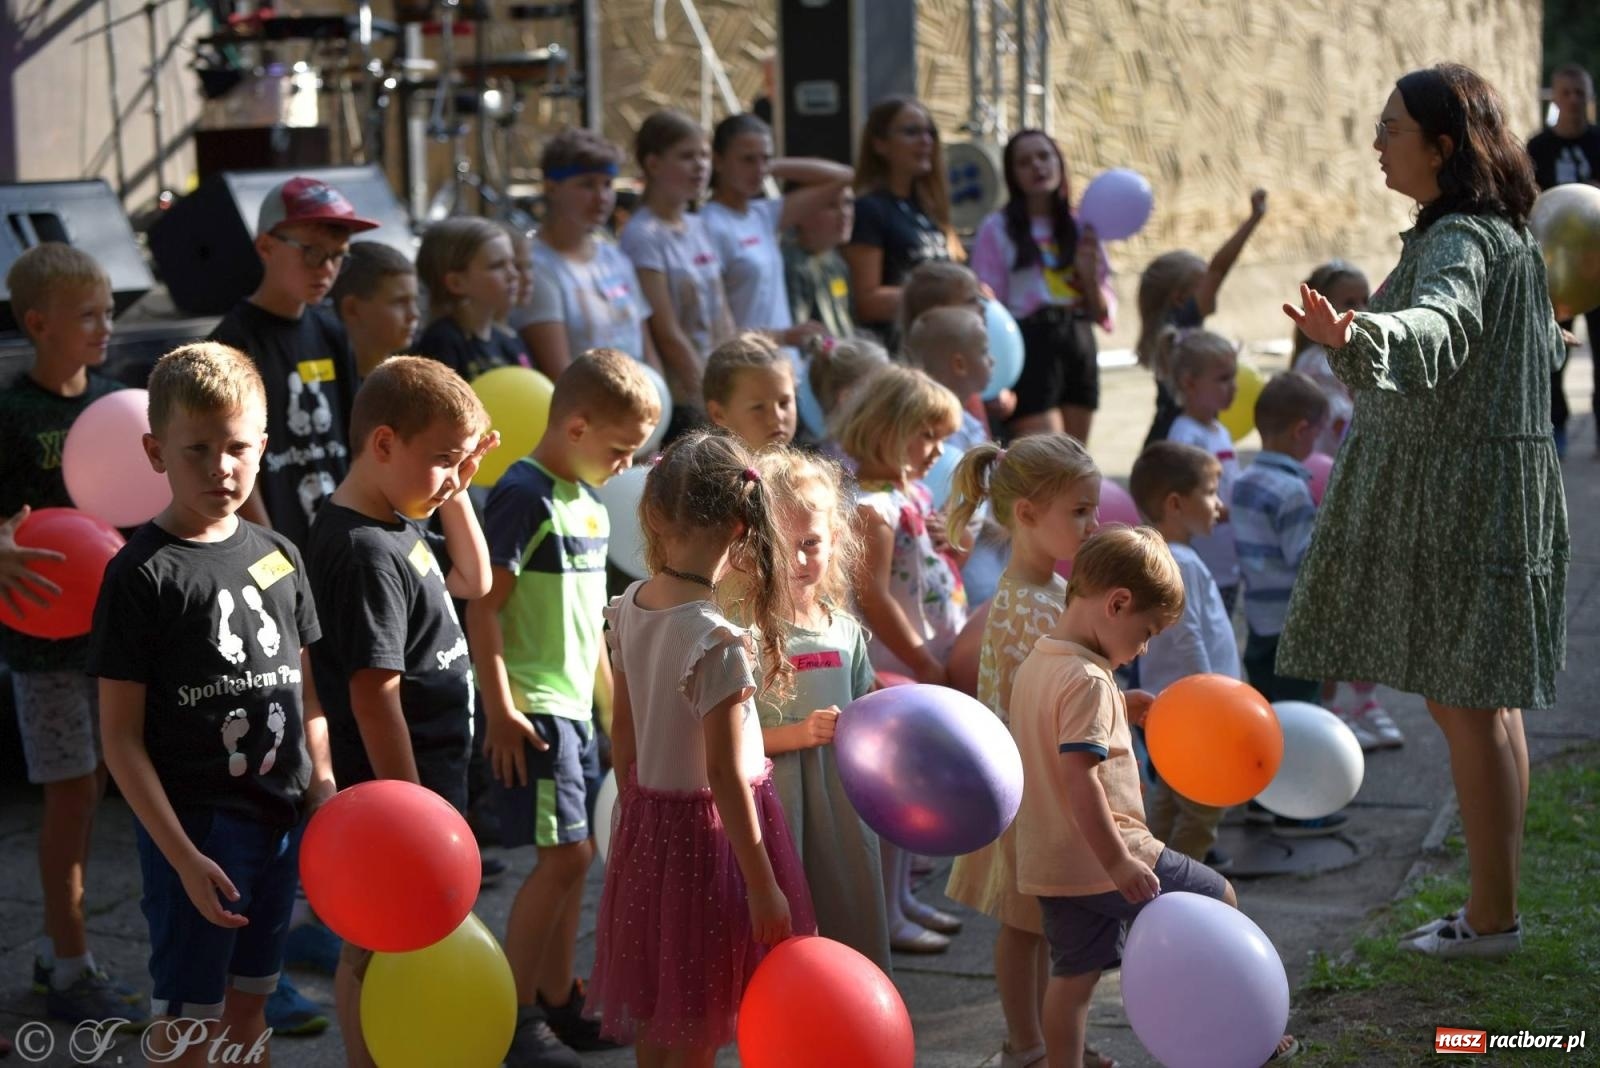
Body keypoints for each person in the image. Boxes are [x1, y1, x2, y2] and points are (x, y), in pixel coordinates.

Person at [1283, 63, 1569, 959]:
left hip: (1464, 498)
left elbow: (1436, 325)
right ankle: (1498, 909)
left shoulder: (1460, 243)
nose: (1378, 141)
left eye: (1392, 128)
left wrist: (1360, 330)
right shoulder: (1503, 235)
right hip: (1496, 491)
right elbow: (1530, 352)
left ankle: (1491, 922)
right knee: (1486, 708)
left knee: (1467, 708)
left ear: (1444, 147)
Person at [89, 343, 335, 1065]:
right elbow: (121, 740)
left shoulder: (281, 554)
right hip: (195, 831)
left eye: (236, 448)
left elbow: (307, 694)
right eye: (197, 450)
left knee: (252, 1002)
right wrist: (182, 854)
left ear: (263, 445)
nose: (220, 468)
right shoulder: (140, 576)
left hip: (279, 821)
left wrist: (323, 790)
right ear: (155, 451)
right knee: (190, 1020)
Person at [1008, 527, 1298, 1068]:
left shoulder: (1040, 663)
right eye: (1146, 633)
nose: (1143, 648)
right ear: (1117, 603)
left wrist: (1121, 701)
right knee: (1217, 899)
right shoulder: (1089, 683)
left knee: (1072, 980)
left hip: (1050, 863)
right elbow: (1081, 779)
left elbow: (1056, 733)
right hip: (1112, 854)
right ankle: (1238, 1025)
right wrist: (1119, 861)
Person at [585, 431, 817, 1056]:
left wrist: (637, 806)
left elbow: (623, 730)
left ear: (655, 513)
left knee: (663, 1005)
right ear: (745, 523)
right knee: (702, 1010)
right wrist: (763, 883)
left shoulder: (627, 606)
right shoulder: (714, 641)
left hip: (650, 822)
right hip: (711, 840)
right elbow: (722, 772)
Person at [467, 350, 660, 1067]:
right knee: (565, 856)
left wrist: (617, 716)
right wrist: (499, 707)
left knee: (576, 863)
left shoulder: (587, 501)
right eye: (619, 449)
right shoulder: (524, 493)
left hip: (577, 709)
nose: (626, 463)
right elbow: (484, 610)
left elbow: (592, 626)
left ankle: (558, 999)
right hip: (535, 707)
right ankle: (512, 1018)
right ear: (576, 426)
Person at [303, 356, 498, 1062]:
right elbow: (372, 693)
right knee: (373, 942)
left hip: (430, 781)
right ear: (383, 444)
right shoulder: (361, 550)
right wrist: (412, 814)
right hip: (397, 795)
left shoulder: (397, 518)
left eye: (459, 462)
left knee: (398, 938)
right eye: (440, 460)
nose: (451, 475)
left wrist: (456, 484)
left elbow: (474, 580)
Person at [941, 436, 1124, 1068]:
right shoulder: (1026, 606)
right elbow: (1040, 708)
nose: (1093, 524)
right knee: (1024, 925)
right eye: (1079, 511)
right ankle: (1027, 1045)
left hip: (1040, 786)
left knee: (1049, 926)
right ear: (1025, 513)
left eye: (1093, 510)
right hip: (1027, 792)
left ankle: (1052, 1040)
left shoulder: (1047, 594)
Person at [0, 244, 148, 1025]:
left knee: (104, 788)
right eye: (87, 316)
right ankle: (68, 965)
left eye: (108, 313)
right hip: (45, 645)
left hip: (117, 636)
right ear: (37, 324)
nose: (105, 327)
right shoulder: (11, 417)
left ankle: (70, 948)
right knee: (69, 796)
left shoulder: (121, 405)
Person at [837, 364, 966, 953]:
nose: (937, 451)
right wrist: (921, 658)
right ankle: (886, 913)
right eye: (927, 436)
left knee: (911, 783)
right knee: (894, 789)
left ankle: (903, 897)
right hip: (895, 664)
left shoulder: (903, 494)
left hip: (917, 659)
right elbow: (873, 593)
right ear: (887, 428)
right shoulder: (872, 507)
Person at [750, 446, 892, 972]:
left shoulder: (845, 629)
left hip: (841, 801)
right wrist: (798, 734)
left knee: (848, 905)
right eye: (781, 545)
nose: (798, 560)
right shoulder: (748, 635)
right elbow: (726, 740)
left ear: (835, 541)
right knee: (791, 926)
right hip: (778, 804)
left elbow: (862, 708)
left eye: (811, 543)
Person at [210, 175, 371, 550]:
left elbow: (355, 441)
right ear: (266, 246)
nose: (326, 269)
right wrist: (271, 548)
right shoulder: (232, 342)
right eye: (312, 252)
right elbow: (229, 462)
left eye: (337, 256)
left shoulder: (333, 333)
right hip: (273, 542)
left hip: (337, 540)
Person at [1231, 374, 1357, 837]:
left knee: (1266, 714)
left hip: (1261, 623)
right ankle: (1299, 810)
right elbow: (1305, 558)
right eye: (1320, 432)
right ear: (1302, 430)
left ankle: (1262, 800)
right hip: (1294, 625)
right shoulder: (1291, 492)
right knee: (1298, 717)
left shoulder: (1245, 482)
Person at [1127, 442, 1241, 867]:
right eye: (1211, 493)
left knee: (1170, 800)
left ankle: (1147, 874)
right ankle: (1182, 886)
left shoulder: (1161, 557)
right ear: (1175, 504)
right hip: (1200, 713)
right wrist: (1212, 697)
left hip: (1172, 707)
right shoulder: (1182, 562)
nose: (1219, 504)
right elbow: (1189, 634)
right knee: (1204, 808)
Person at [971, 129, 1114, 443]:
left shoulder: (1082, 227)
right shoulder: (997, 229)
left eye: (1044, 156)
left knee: (1077, 459)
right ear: (1011, 174)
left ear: (1059, 163)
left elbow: (1103, 313)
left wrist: (1089, 279)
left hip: (1077, 339)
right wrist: (998, 377)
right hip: (1029, 343)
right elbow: (988, 308)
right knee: (1046, 462)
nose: (1037, 166)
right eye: (1024, 162)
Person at [620, 110, 736, 431]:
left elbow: (722, 312)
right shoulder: (643, 235)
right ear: (653, 164)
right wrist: (708, 398)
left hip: (721, 387)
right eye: (687, 156)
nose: (700, 166)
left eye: (704, 155)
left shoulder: (699, 225)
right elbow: (667, 333)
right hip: (687, 398)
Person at [513, 129, 657, 379]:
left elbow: (647, 348)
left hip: (638, 407)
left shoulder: (615, 258)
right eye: (587, 184)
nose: (602, 197)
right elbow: (560, 373)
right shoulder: (536, 266)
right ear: (551, 188)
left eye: (607, 184)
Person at [704, 112, 851, 349]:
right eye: (747, 159)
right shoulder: (708, 224)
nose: (758, 169)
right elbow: (713, 324)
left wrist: (772, 166)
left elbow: (844, 176)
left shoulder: (763, 214)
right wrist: (782, 337)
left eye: (765, 158)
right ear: (718, 161)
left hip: (781, 362)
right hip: (743, 363)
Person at [1135, 190, 1268, 446]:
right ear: (1180, 297)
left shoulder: (1167, 332)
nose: (1212, 288)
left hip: (1162, 438)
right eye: (1203, 283)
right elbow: (1218, 270)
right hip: (1180, 446)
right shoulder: (1179, 325)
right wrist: (1254, 219)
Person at [1525, 62, 1600, 457]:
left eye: (1580, 93)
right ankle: (1556, 428)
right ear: (1555, 97)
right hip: (1554, 271)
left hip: (1597, 268)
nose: (1573, 101)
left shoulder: (1598, 141)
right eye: (1566, 93)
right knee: (1553, 351)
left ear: (1589, 98)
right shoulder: (1537, 148)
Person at [844, 96, 956, 345]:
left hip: (936, 347)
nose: (925, 141)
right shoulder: (869, 208)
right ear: (880, 144)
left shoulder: (928, 208)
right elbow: (866, 301)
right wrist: (943, 295)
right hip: (895, 352)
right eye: (911, 132)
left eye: (930, 133)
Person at [1159, 330, 1242, 613]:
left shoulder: (1221, 432)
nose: (1234, 387)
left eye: (1233, 376)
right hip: (1201, 561)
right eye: (1223, 379)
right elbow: (1182, 500)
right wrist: (1227, 510)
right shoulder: (1185, 436)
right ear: (1190, 383)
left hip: (1225, 559)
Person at [414, 216, 532, 381]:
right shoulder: (442, 343)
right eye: (497, 266)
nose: (513, 274)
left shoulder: (508, 340)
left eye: (512, 263)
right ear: (456, 283)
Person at [1289, 260, 1369, 457]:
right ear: (1320, 309)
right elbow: (1342, 423)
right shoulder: (1318, 364)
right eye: (1349, 303)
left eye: (1366, 300)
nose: (1363, 311)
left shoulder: (1359, 353)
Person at [904, 306, 995, 454]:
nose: (992, 361)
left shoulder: (967, 421)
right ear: (959, 365)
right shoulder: (938, 432)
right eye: (984, 352)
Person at [330, 242, 420, 379]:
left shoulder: (407, 380)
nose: (414, 314)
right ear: (352, 309)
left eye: (414, 301)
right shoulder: (328, 382)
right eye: (399, 302)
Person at [783, 184, 858, 342]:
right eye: (831, 205)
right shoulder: (789, 265)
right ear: (801, 212)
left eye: (848, 203)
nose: (844, 213)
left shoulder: (837, 262)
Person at [703, 333, 798, 451]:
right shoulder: (712, 469)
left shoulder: (803, 468)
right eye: (758, 407)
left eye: (783, 403)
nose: (775, 418)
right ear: (718, 414)